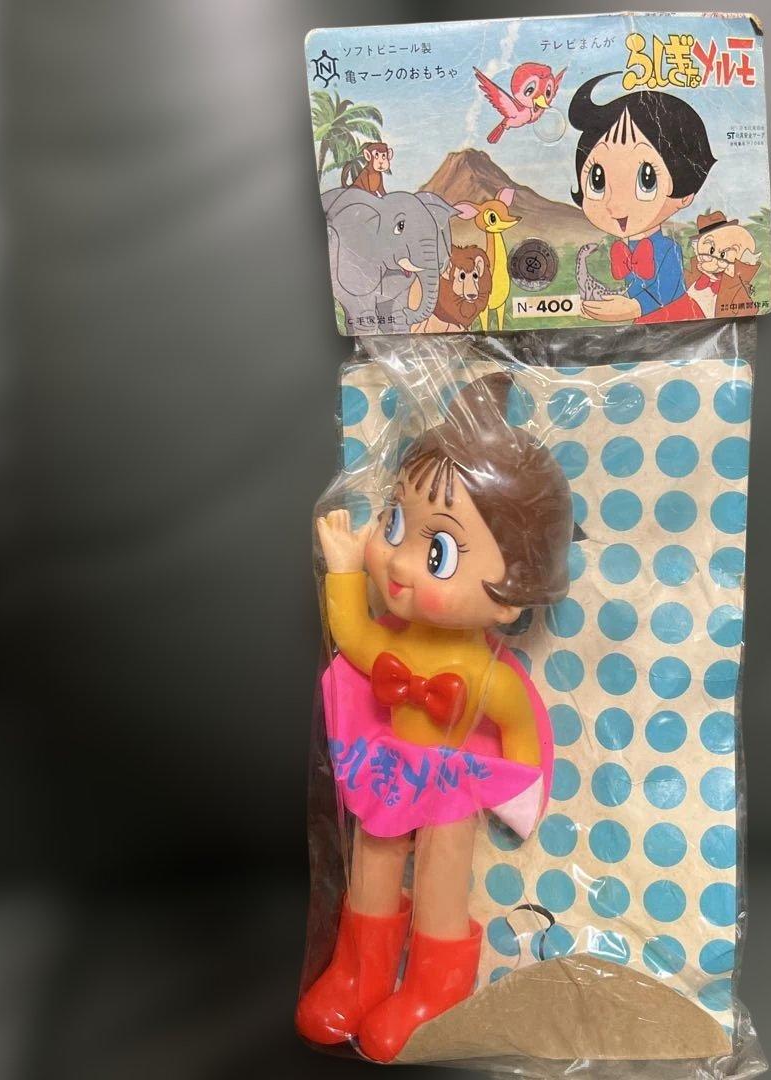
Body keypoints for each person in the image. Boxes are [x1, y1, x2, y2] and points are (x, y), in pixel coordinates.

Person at [296, 372, 572, 1062]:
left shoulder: (486, 676)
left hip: (451, 787)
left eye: (438, 551)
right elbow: (355, 640)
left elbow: (521, 728)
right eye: (394, 525)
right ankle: (359, 973)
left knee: (443, 879)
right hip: (388, 770)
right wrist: (344, 568)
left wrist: (518, 790)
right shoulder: (395, 642)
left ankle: (434, 986)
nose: (399, 565)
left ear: (513, 593)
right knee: (373, 862)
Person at [569, 73, 716, 323]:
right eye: (597, 181)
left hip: (677, 321)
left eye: (646, 180)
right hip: (641, 327)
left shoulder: (668, 249)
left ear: (684, 194)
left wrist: (635, 307)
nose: (615, 206)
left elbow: (667, 291)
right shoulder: (624, 249)